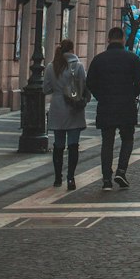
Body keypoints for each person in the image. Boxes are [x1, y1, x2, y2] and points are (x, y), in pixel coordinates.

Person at [85, 25, 140, 191]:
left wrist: (101, 96)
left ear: (108, 39)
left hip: (106, 105)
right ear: (123, 39)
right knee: (127, 139)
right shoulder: (132, 59)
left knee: (107, 142)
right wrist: (131, 94)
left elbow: (90, 82)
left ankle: (106, 179)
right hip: (126, 105)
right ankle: (121, 170)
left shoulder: (99, 59)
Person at [43, 37, 88, 189]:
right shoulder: (78, 66)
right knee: (73, 145)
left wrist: (57, 89)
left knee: (58, 144)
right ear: (72, 49)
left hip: (57, 108)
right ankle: (71, 178)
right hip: (74, 108)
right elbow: (84, 86)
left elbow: (46, 89)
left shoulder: (51, 66)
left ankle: (57, 178)